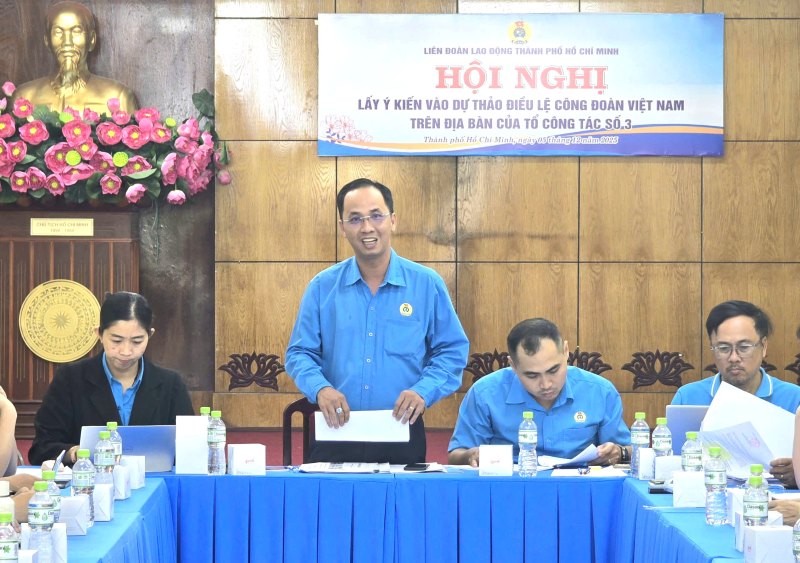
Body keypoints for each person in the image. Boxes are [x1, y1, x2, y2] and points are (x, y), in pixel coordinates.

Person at [285, 178, 470, 464]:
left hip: (401, 431)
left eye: (376, 216)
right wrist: (321, 388)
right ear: (342, 228)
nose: (367, 228)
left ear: (393, 221)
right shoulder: (323, 287)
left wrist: (423, 391)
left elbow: (451, 351)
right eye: (355, 219)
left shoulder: (425, 284)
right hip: (336, 432)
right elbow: (299, 353)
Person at [28, 291, 194, 466]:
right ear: (99, 334)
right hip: (88, 485)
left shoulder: (171, 384)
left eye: (137, 341)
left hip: (155, 484)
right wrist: (73, 452)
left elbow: (190, 448)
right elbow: (41, 448)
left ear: (150, 335)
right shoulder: (70, 379)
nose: (126, 351)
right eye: (116, 340)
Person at [448, 318, 631, 467]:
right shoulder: (484, 394)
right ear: (513, 365)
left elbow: (630, 450)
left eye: (553, 370)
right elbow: (455, 456)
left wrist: (619, 452)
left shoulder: (600, 391)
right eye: (531, 375)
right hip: (510, 489)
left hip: (577, 489)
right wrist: (470, 455)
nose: (545, 384)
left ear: (566, 351)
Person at [671, 300, 800, 487]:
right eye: (723, 348)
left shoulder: (794, 398)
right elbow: (672, 463)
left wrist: (796, 473)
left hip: (771, 505)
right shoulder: (688, 396)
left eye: (744, 347)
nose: (733, 358)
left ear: (763, 347)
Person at [13, 1, 138, 114]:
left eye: (76, 31)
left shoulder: (117, 97)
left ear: (92, 40)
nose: (67, 42)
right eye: (58, 32)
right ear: (47, 41)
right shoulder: (24, 97)